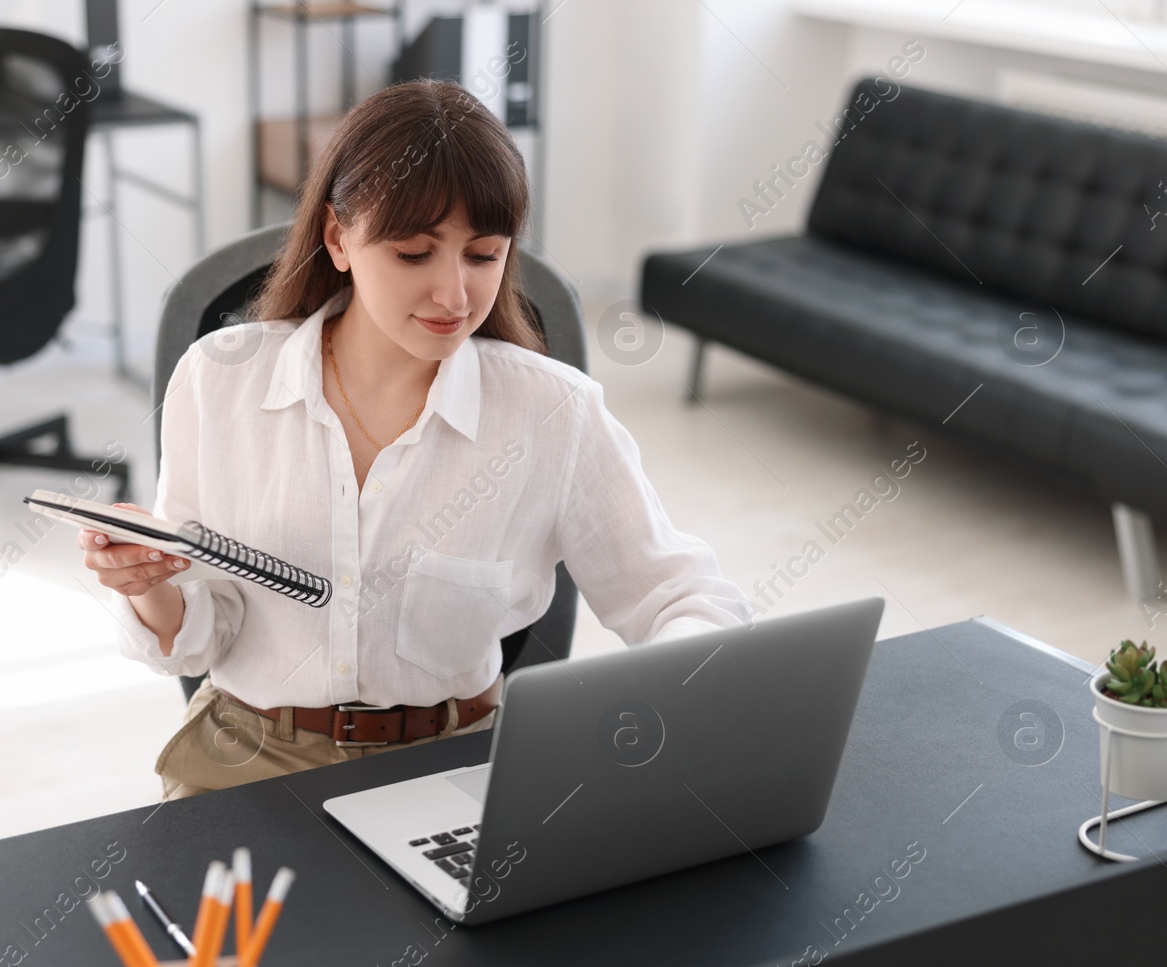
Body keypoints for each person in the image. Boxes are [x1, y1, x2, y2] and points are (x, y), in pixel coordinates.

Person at [80, 79, 752, 801]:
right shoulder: (220, 381)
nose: (454, 297)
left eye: (483, 255)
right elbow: (204, 635)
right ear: (338, 238)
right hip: (247, 756)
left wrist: (651, 702)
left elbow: (683, 595)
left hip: (455, 765)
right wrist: (151, 588)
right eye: (413, 254)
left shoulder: (553, 413)